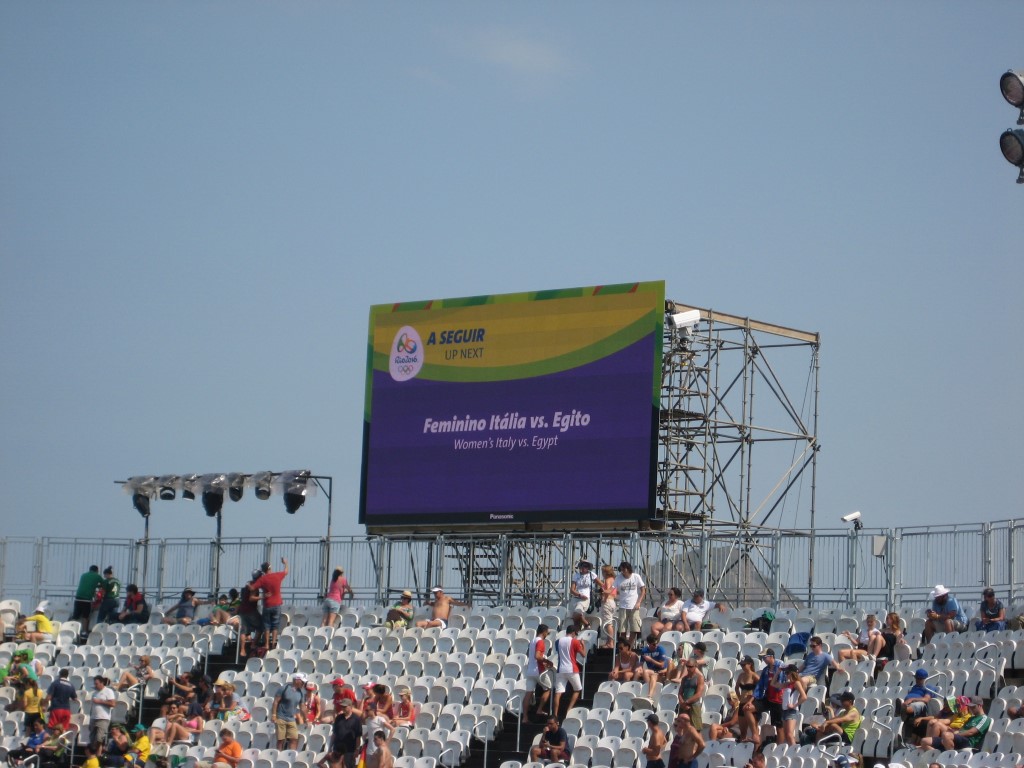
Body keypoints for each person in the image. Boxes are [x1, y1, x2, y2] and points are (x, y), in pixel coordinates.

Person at [253, 557, 289, 650]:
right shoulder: (277, 575)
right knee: (275, 625)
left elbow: (253, 587)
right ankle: (273, 643)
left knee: (267, 626)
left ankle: (267, 644)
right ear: (270, 568)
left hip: (267, 605)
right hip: (277, 604)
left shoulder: (262, 579)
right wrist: (285, 563)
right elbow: (286, 571)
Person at [521, 623, 554, 722]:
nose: (547, 634)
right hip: (538, 670)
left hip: (530, 670)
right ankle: (539, 709)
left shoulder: (532, 641)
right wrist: (547, 661)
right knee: (548, 688)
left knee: (528, 693)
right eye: (547, 632)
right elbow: (537, 656)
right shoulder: (540, 642)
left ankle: (525, 717)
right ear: (544, 632)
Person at [553, 624, 586, 718]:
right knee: (577, 689)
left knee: (558, 692)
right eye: (576, 633)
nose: (576, 635)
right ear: (573, 633)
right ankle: (568, 710)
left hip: (560, 669)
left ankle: (555, 714)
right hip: (572, 668)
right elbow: (583, 654)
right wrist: (583, 645)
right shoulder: (575, 641)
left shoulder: (557, 641)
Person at [322, 697, 362, 768]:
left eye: (345, 706)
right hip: (337, 750)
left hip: (350, 750)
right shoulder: (338, 718)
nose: (343, 708)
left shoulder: (356, 719)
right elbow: (334, 733)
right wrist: (330, 747)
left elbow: (358, 736)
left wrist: (357, 749)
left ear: (350, 706)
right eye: (342, 706)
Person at [614, 561, 646, 645]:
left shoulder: (636, 576)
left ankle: (629, 645)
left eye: (624, 570)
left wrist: (639, 602)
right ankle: (624, 645)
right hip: (623, 606)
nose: (622, 572)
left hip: (634, 606)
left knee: (635, 628)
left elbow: (643, 590)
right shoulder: (618, 578)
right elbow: (613, 589)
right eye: (621, 570)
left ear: (628, 569)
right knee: (622, 628)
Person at [272, 673, 307, 750]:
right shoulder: (284, 688)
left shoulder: (301, 692)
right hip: (281, 717)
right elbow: (276, 702)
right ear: (297, 680)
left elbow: (302, 707)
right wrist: (274, 715)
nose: (303, 683)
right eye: (302, 682)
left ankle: (292, 754)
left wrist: (306, 719)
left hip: (291, 719)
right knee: (281, 740)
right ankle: (279, 754)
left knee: (294, 738)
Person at [778, 665, 806, 746]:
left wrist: (794, 705)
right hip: (785, 710)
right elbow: (773, 683)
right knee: (786, 735)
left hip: (792, 711)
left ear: (791, 673)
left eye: (787, 673)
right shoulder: (787, 684)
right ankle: (792, 750)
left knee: (789, 734)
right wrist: (778, 672)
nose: (786, 674)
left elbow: (804, 697)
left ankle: (795, 750)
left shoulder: (796, 683)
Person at [735, 656, 761, 747]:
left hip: (751, 703)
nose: (742, 667)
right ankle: (742, 750)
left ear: (750, 664)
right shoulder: (741, 675)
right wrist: (739, 698)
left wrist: (752, 698)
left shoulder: (754, 676)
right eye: (741, 665)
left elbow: (760, 689)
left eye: (744, 665)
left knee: (754, 731)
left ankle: (756, 750)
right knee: (743, 731)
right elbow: (736, 688)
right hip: (742, 703)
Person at [72, 565, 104, 634]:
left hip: (78, 598)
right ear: (97, 571)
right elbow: (104, 584)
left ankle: (70, 629)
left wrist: (95, 585)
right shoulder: (97, 576)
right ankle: (84, 631)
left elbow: (87, 584)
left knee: (75, 616)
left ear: (89, 570)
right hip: (87, 599)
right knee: (85, 616)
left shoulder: (83, 575)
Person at [237, 572, 262, 657]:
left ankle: (242, 650)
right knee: (261, 626)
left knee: (243, 631)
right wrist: (263, 597)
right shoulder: (254, 586)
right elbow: (251, 599)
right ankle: (253, 644)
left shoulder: (248, 584)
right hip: (250, 610)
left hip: (242, 610)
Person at [677, 659, 706, 731]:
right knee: (682, 728)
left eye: (690, 666)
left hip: (694, 705)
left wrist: (686, 702)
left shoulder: (699, 677)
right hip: (684, 705)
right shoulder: (684, 678)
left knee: (696, 728)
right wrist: (682, 702)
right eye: (687, 666)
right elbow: (680, 692)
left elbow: (698, 694)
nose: (688, 668)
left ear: (695, 666)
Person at [570, 559, 598, 632]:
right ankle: (578, 633)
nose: (583, 568)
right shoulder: (576, 576)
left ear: (588, 567)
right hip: (576, 597)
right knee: (575, 619)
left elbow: (601, 584)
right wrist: (579, 595)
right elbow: (572, 590)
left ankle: (586, 623)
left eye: (585, 566)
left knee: (577, 613)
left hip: (585, 598)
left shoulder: (591, 575)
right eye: (582, 566)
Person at [89, 676, 116, 747]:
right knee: (92, 739)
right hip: (93, 718)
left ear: (102, 683)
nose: (95, 685)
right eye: (95, 684)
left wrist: (100, 701)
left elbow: (113, 704)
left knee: (99, 739)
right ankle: (94, 753)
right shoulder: (94, 693)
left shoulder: (108, 691)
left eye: (97, 684)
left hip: (103, 718)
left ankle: (99, 753)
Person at [598, 564, 618, 649]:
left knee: (608, 623)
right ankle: (609, 641)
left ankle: (610, 643)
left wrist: (604, 599)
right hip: (612, 601)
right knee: (609, 622)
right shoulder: (614, 580)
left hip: (607, 601)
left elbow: (608, 590)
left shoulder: (607, 580)